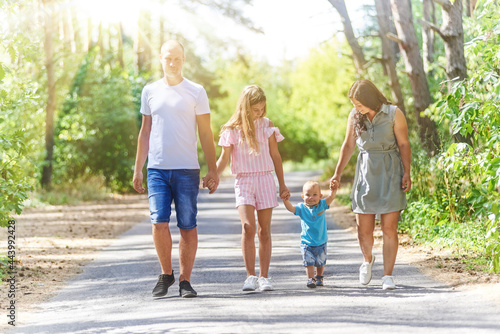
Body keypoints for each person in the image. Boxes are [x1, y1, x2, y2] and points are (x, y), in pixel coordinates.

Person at [133, 40, 219, 298]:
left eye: (177, 59)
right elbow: (145, 131)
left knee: (187, 226)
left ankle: (185, 281)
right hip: (157, 169)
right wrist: (138, 168)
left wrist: (213, 169)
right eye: (168, 58)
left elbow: (206, 133)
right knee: (158, 222)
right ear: (160, 58)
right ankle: (166, 273)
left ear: (184, 60)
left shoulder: (196, 91)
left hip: (187, 170)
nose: (172, 63)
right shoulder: (149, 91)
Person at [330, 79, 411, 290]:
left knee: (389, 228)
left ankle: (387, 276)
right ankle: (367, 260)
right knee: (363, 229)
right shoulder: (355, 116)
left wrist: (407, 173)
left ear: (370, 99)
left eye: (359, 103)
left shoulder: (394, 113)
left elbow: (403, 144)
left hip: (390, 171)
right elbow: (348, 145)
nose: (355, 108)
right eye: (354, 104)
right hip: (365, 172)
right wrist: (337, 173)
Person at [214, 85, 289, 292]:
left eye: (262, 109)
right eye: (256, 110)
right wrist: (213, 175)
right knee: (248, 227)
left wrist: (282, 184)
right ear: (245, 108)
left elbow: (275, 156)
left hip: (265, 179)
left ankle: (264, 276)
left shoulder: (267, 125)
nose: (260, 113)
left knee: (264, 230)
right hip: (243, 181)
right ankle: (250, 276)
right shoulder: (231, 129)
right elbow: (223, 159)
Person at [282, 180, 338, 288]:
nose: (311, 197)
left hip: (321, 240)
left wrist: (333, 190)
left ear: (320, 196)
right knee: (309, 262)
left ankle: (319, 277)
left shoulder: (322, 205)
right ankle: (311, 279)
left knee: (321, 262)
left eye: (315, 195)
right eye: (308, 195)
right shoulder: (301, 208)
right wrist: (286, 201)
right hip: (306, 242)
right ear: (303, 196)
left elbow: (331, 198)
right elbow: (291, 208)